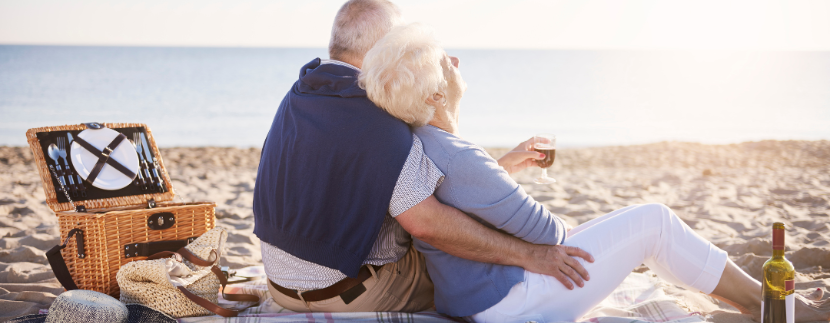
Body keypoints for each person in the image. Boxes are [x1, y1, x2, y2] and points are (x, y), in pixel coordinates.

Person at [359, 23, 830, 322]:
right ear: (436, 96)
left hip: (468, 298)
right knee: (654, 222)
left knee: (635, 227)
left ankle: (748, 298)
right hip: (512, 302)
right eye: (446, 61)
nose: (457, 62)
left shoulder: (420, 142)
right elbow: (551, 235)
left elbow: (462, 193)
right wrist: (501, 180)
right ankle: (770, 305)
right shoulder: (462, 157)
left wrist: (502, 168)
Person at [252, 0, 595, 313]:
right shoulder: (375, 115)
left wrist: (499, 167)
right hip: (347, 295)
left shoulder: (301, 94)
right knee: (461, 258)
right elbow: (429, 225)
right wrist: (530, 255)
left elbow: (349, 178)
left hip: (281, 288)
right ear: (385, 48)